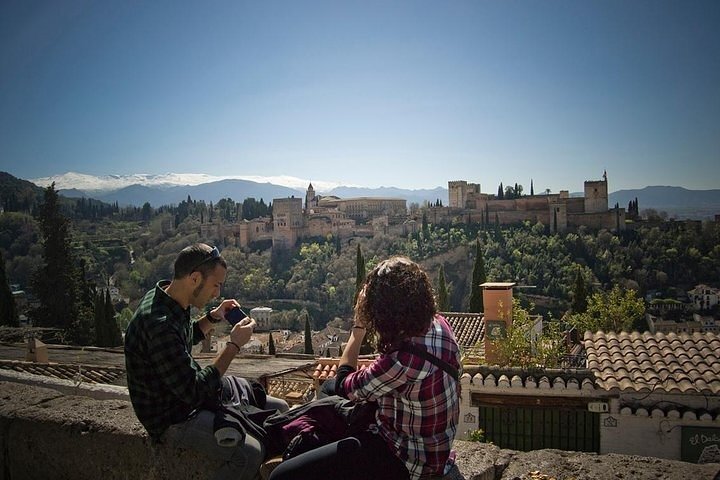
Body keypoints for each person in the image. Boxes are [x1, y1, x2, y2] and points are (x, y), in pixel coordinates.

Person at [269, 256, 461, 480]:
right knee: (328, 391)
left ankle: (299, 433)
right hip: (435, 447)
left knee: (281, 475)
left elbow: (344, 384)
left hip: (406, 458)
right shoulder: (439, 324)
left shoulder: (403, 360)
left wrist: (358, 329)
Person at [125, 243, 288, 480]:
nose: (217, 294)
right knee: (249, 452)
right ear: (194, 278)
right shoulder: (157, 323)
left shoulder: (166, 297)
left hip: (184, 395)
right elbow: (194, 391)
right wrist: (233, 346)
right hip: (172, 416)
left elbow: (182, 337)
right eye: (215, 285)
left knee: (281, 409)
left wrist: (214, 316)